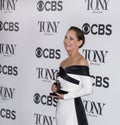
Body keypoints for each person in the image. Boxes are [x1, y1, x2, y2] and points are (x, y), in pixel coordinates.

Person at [50, 26, 93, 125]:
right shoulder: (62, 63)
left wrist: (66, 96)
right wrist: (56, 88)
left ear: (79, 42)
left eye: (71, 38)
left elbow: (88, 89)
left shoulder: (81, 61)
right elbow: (61, 84)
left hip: (73, 109)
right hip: (60, 108)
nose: (66, 41)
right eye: (66, 37)